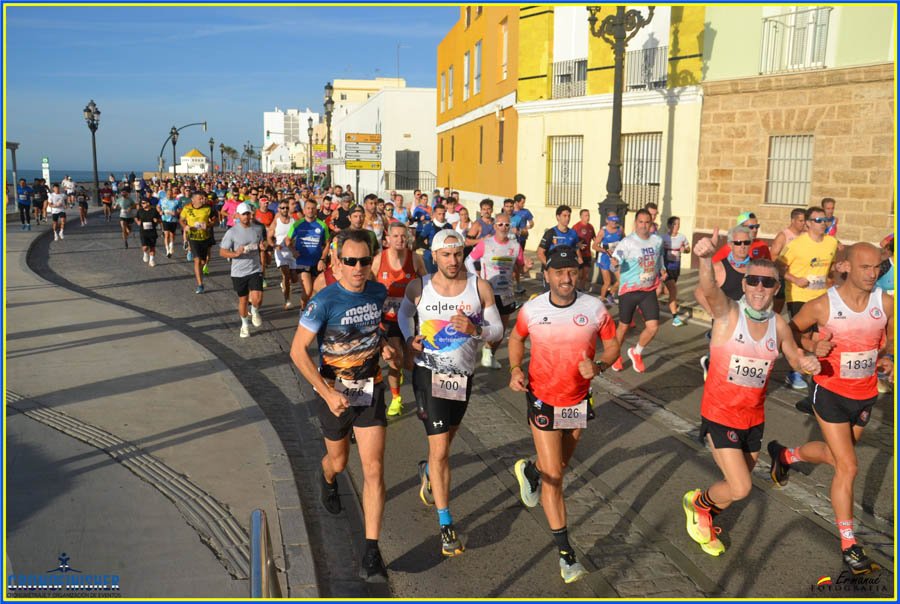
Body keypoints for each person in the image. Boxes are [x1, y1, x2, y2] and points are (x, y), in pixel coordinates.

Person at [683, 230, 821, 558]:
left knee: (734, 487)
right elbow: (709, 289)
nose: (760, 288)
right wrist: (705, 258)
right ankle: (697, 506)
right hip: (720, 414)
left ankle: (704, 510)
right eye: (754, 281)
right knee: (741, 487)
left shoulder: (778, 324)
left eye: (768, 283)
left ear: (776, 288)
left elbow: (793, 355)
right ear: (744, 284)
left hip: (753, 418)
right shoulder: (729, 314)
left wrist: (807, 361)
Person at [768, 243, 892, 575]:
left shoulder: (886, 303)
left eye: (876, 267)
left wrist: (888, 355)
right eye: (864, 267)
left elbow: (890, 335)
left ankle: (786, 456)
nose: (872, 273)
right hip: (831, 392)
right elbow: (790, 333)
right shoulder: (824, 306)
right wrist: (811, 345)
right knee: (848, 467)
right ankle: (850, 545)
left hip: (864, 394)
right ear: (846, 267)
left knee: (838, 457)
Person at [289, 229, 395, 582]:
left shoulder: (379, 292)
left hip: (370, 388)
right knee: (339, 460)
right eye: (350, 261)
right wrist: (326, 391)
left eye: (365, 261)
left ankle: (371, 549)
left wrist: (388, 349)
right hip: (333, 393)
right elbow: (297, 351)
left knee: (374, 469)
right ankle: (327, 477)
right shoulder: (324, 301)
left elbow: (381, 332)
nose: (358, 268)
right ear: (336, 263)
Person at [509, 246, 619, 583]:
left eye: (571, 271)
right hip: (542, 399)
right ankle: (566, 554)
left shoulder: (594, 308)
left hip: (576, 401)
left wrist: (599, 365)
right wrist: (515, 368)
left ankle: (529, 469)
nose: (566, 278)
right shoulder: (533, 309)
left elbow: (614, 345)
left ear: (580, 274)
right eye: (559, 272)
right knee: (555, 477)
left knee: (559, 466)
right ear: (548, 276)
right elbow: (516, 337)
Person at [398, 229, 503, 557]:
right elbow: (404, 314)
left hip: (462, 376)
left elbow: (498, 329)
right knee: (441, 449)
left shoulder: (478, 286)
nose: (453, 260)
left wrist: (476, 330)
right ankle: (446, 524)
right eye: (446, 255)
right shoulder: (420, 286)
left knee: (444, 445)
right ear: (435, 256)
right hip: (428, 373)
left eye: (458, 254)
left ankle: (428, 471)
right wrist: (409, 337)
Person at [776, 206, 838, 390]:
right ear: (809, 224)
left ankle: (818, 372)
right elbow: (779, 267)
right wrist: (795, 279)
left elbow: (831, 266)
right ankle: (795, 370)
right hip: (798, 294)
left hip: (821, 296)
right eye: (818, 221)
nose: (823, 224)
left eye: (825, 220)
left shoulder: (831, 243)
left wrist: (835, 273)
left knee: (820, 335)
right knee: (803, 334)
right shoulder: (795, 244)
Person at [465, 213, 532, 369]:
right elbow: (469, 261)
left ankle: (490, 352)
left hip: (506, 293)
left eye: (507, 225)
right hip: (488, 292)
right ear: (495, 226)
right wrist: (477, 279)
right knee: (481, 327)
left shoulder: (515, 247)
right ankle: (469, 357)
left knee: (500, 331)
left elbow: (520, 268)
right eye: (500, 224)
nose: (504, 227)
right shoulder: (485, 244)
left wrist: (526, 267)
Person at [374, 222, 426, 416]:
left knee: (409, 363)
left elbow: (427, 284)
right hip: (388, 318)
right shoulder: (379, 260)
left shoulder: (416, 259)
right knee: (396, 361)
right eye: (395, 236)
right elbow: (368, 287)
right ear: (387, 239)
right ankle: (396, 398)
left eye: (403, 236)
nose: (400, 240)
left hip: (411, 317)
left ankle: (403, 371)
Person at [609, 209, 665, 373]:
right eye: (640, 222)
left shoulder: (657, 240)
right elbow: (616, 260)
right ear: (635, 223)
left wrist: (662, 270)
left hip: (648, 290)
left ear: (651, 224)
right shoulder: (627, 242)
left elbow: (659, 257)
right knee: (624, 327)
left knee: (653, 327)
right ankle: (615, 355)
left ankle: (636, 352)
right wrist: (614, 263)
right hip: (629, 291)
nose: (643, 225)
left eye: (647, 222)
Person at [695, 226, 754, 380]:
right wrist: (713, 312)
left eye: (746, 243)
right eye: (738, 243)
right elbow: (700, 292)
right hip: (725, 323)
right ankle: (711, 363)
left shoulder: (756, 267)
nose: (742, 246)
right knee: (723, 364)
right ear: (730, 245)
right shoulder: (720, 268)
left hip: (746, 321)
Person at [219, 203, 267, 338]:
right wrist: (235, 254)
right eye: (243, 214)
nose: (246, 216)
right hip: (238, 272)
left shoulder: (257, 229)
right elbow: (222, 252)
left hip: (255, 268)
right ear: (238, 215)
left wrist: (263, 246)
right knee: (243, 300)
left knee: (257, 298)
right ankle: (244, 325)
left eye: (248, 214)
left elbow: (263, 243)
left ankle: (255, 310)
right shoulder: (232, 232)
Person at [286, 199, 330, 310]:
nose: (310, 211)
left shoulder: (322, 226)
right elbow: (287, 240)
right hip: (302, 262)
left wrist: (322, 259)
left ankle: (312, 314)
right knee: (308, 290)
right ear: (304, 210)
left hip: (316, 262)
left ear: (316, 210)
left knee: (316, 292)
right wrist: (293, 251)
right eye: (308, 208)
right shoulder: (297, 225)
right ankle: (303, 311)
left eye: (313, 208)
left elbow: (327, 244)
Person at [769, 208, 807, 314]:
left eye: (805, 220)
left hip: (800, 276)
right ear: (792, 220)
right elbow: (773, 256)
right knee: (777, 308)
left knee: (798, 308)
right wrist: (783, 266)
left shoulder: (806, 235)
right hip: (784, 277)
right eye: (801, 221)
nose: (804, 223)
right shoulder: (783, 236)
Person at [180, 191, 219, 294]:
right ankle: (200, 284)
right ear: (193, 200)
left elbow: (215, 219)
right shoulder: (187, 208)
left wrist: (209, 225)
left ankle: (200, 276)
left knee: (202, 262)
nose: (203, 200)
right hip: (193, 238)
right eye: (200, 198)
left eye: (203, 198)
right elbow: (181, 219)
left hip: (205, 237)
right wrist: (185, 226)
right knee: (197, 260)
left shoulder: (208, 208)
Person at [661, 216, 690, 326]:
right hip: (665, 268)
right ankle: (675, 317)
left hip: (676, 267)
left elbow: (688, 249)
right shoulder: (663, 238)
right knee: (673, 290)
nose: (677, 226)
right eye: (675, 224)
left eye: (678, 224)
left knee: (668, 291)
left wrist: (685, 250)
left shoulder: (682, 237)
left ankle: (648, 302)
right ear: (669, 226)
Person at [593, 211, 623, 305]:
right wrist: (605, 251)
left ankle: (610, 294)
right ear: (607, 220)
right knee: (607, 282)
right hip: (604, 258)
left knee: (621, 280)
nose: (614, 222)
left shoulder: (620, 229)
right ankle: (602, 300)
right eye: (611, 220)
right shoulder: (603, 231)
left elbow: (625, 241)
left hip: (616, 258)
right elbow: (594, 246)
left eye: (616, 219)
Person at [420, 204, 454, 274]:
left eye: (443, 214)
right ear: (435, 214)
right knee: (432, 275)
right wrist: (429, 247)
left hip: (445, 254)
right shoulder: (429, 226)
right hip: (432, 255)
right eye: (439, 214)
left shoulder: (449, 226)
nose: (441, 216)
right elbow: (419, 241)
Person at [510, 194, 534, 294]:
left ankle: (518, 284)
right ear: (516, 202)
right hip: (510, 242)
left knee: (518, 262)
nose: (523, 204)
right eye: (522, 202)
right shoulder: (509, 212)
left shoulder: (526, 212)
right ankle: (512, 285)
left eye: (524, 202)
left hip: (521, 240)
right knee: (511, 264)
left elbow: (532, 223)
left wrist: (526, 228)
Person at [573, 210, 596, 291]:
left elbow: (595, 238)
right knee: (578, 274)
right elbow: (571, 240)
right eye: (586, 215)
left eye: (588, 215)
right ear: (581, 216)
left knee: (585, 275)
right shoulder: (576, 227)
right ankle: (574, 289)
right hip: (578, 255)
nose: (588, 217)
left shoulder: (590, 227)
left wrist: (599, 243)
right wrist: (577, 245)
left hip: (587, 254)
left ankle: (581, 289)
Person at [135, 198, 162, 267]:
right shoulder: (140, 211)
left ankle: (151, 260)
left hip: (152, 231)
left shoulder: (154, 211)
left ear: (148, 203)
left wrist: (157, 221)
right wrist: (138, 222)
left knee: (152, 247)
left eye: (144, 203)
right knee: (145, 247)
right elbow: (136, 217)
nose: (142, 204)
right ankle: (145, 253)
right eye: (142, 203)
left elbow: (160, 219)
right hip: (143, 231)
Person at [158, 189, 184, 258]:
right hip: (165, 219)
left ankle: (171, 246)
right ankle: (167, 251)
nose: (169, 195)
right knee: (166, 235)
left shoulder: (176, 201)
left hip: (173, 220)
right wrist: (160, 211)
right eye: (168, 194)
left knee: (172, 235)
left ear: (172, 194)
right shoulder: (162, 200)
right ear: (166, 194)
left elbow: (180, 209)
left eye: (170, 194)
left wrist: (176, 212)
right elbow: (158, 207)